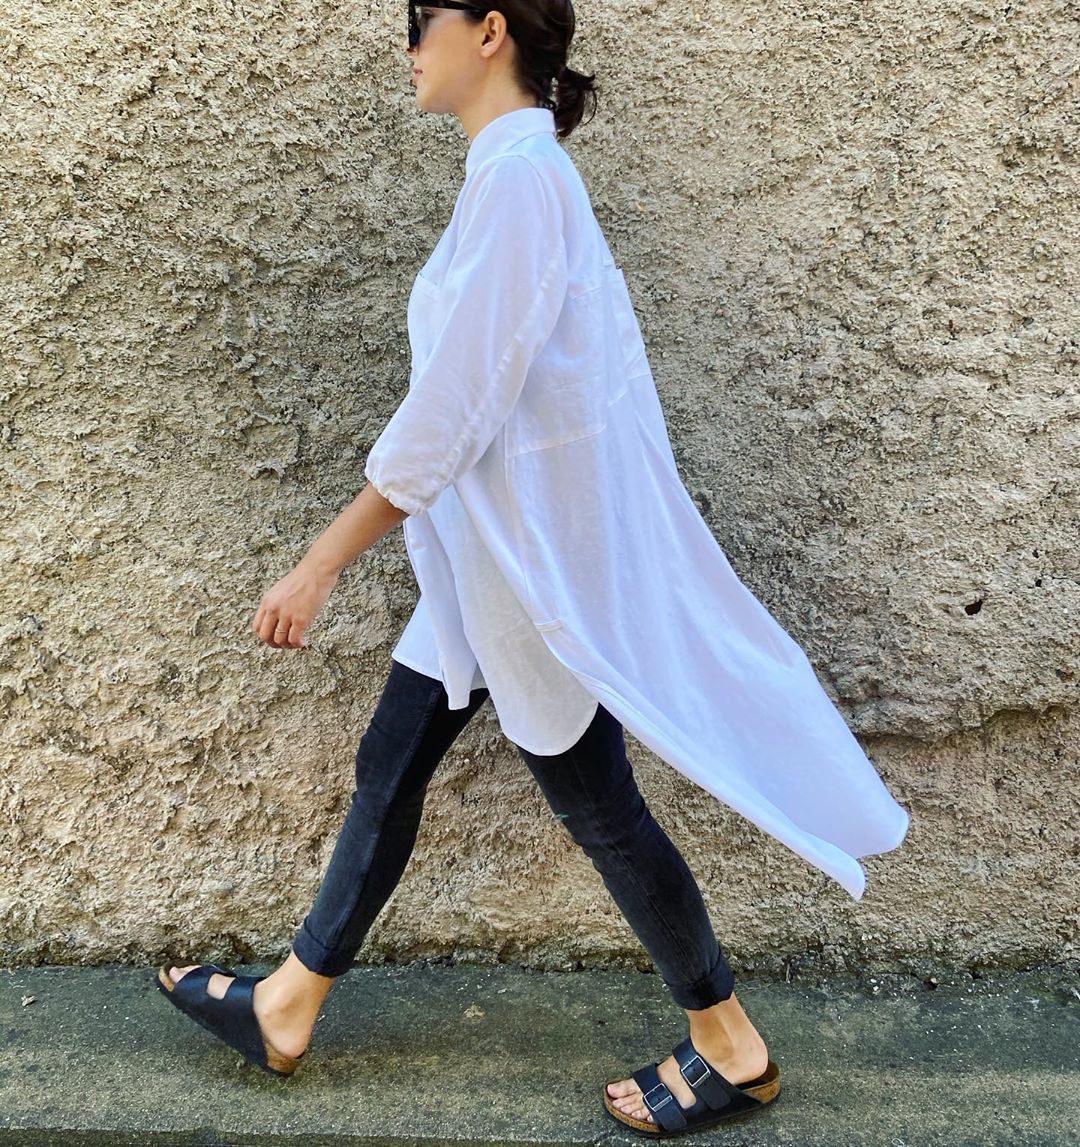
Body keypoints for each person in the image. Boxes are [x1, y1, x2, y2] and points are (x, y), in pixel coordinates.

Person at [156, 1, 908, 1137]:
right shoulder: (509, 178)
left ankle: (731, 1044)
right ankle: (288, 1002)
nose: (409, 45)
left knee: (596, 802)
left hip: (526, 570)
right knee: (391, 762)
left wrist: (320, 562)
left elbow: (452, 410)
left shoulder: (520, 185)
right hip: (484, 558)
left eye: (424, 20)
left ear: (491, 30)